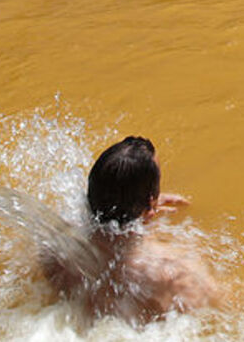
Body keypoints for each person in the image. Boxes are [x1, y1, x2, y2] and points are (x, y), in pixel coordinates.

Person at [45, 136, 222, 322]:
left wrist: (143, 208)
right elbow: (221, 308)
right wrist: (145, 210)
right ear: (150, 205)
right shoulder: (175, 273)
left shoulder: (55, 248)